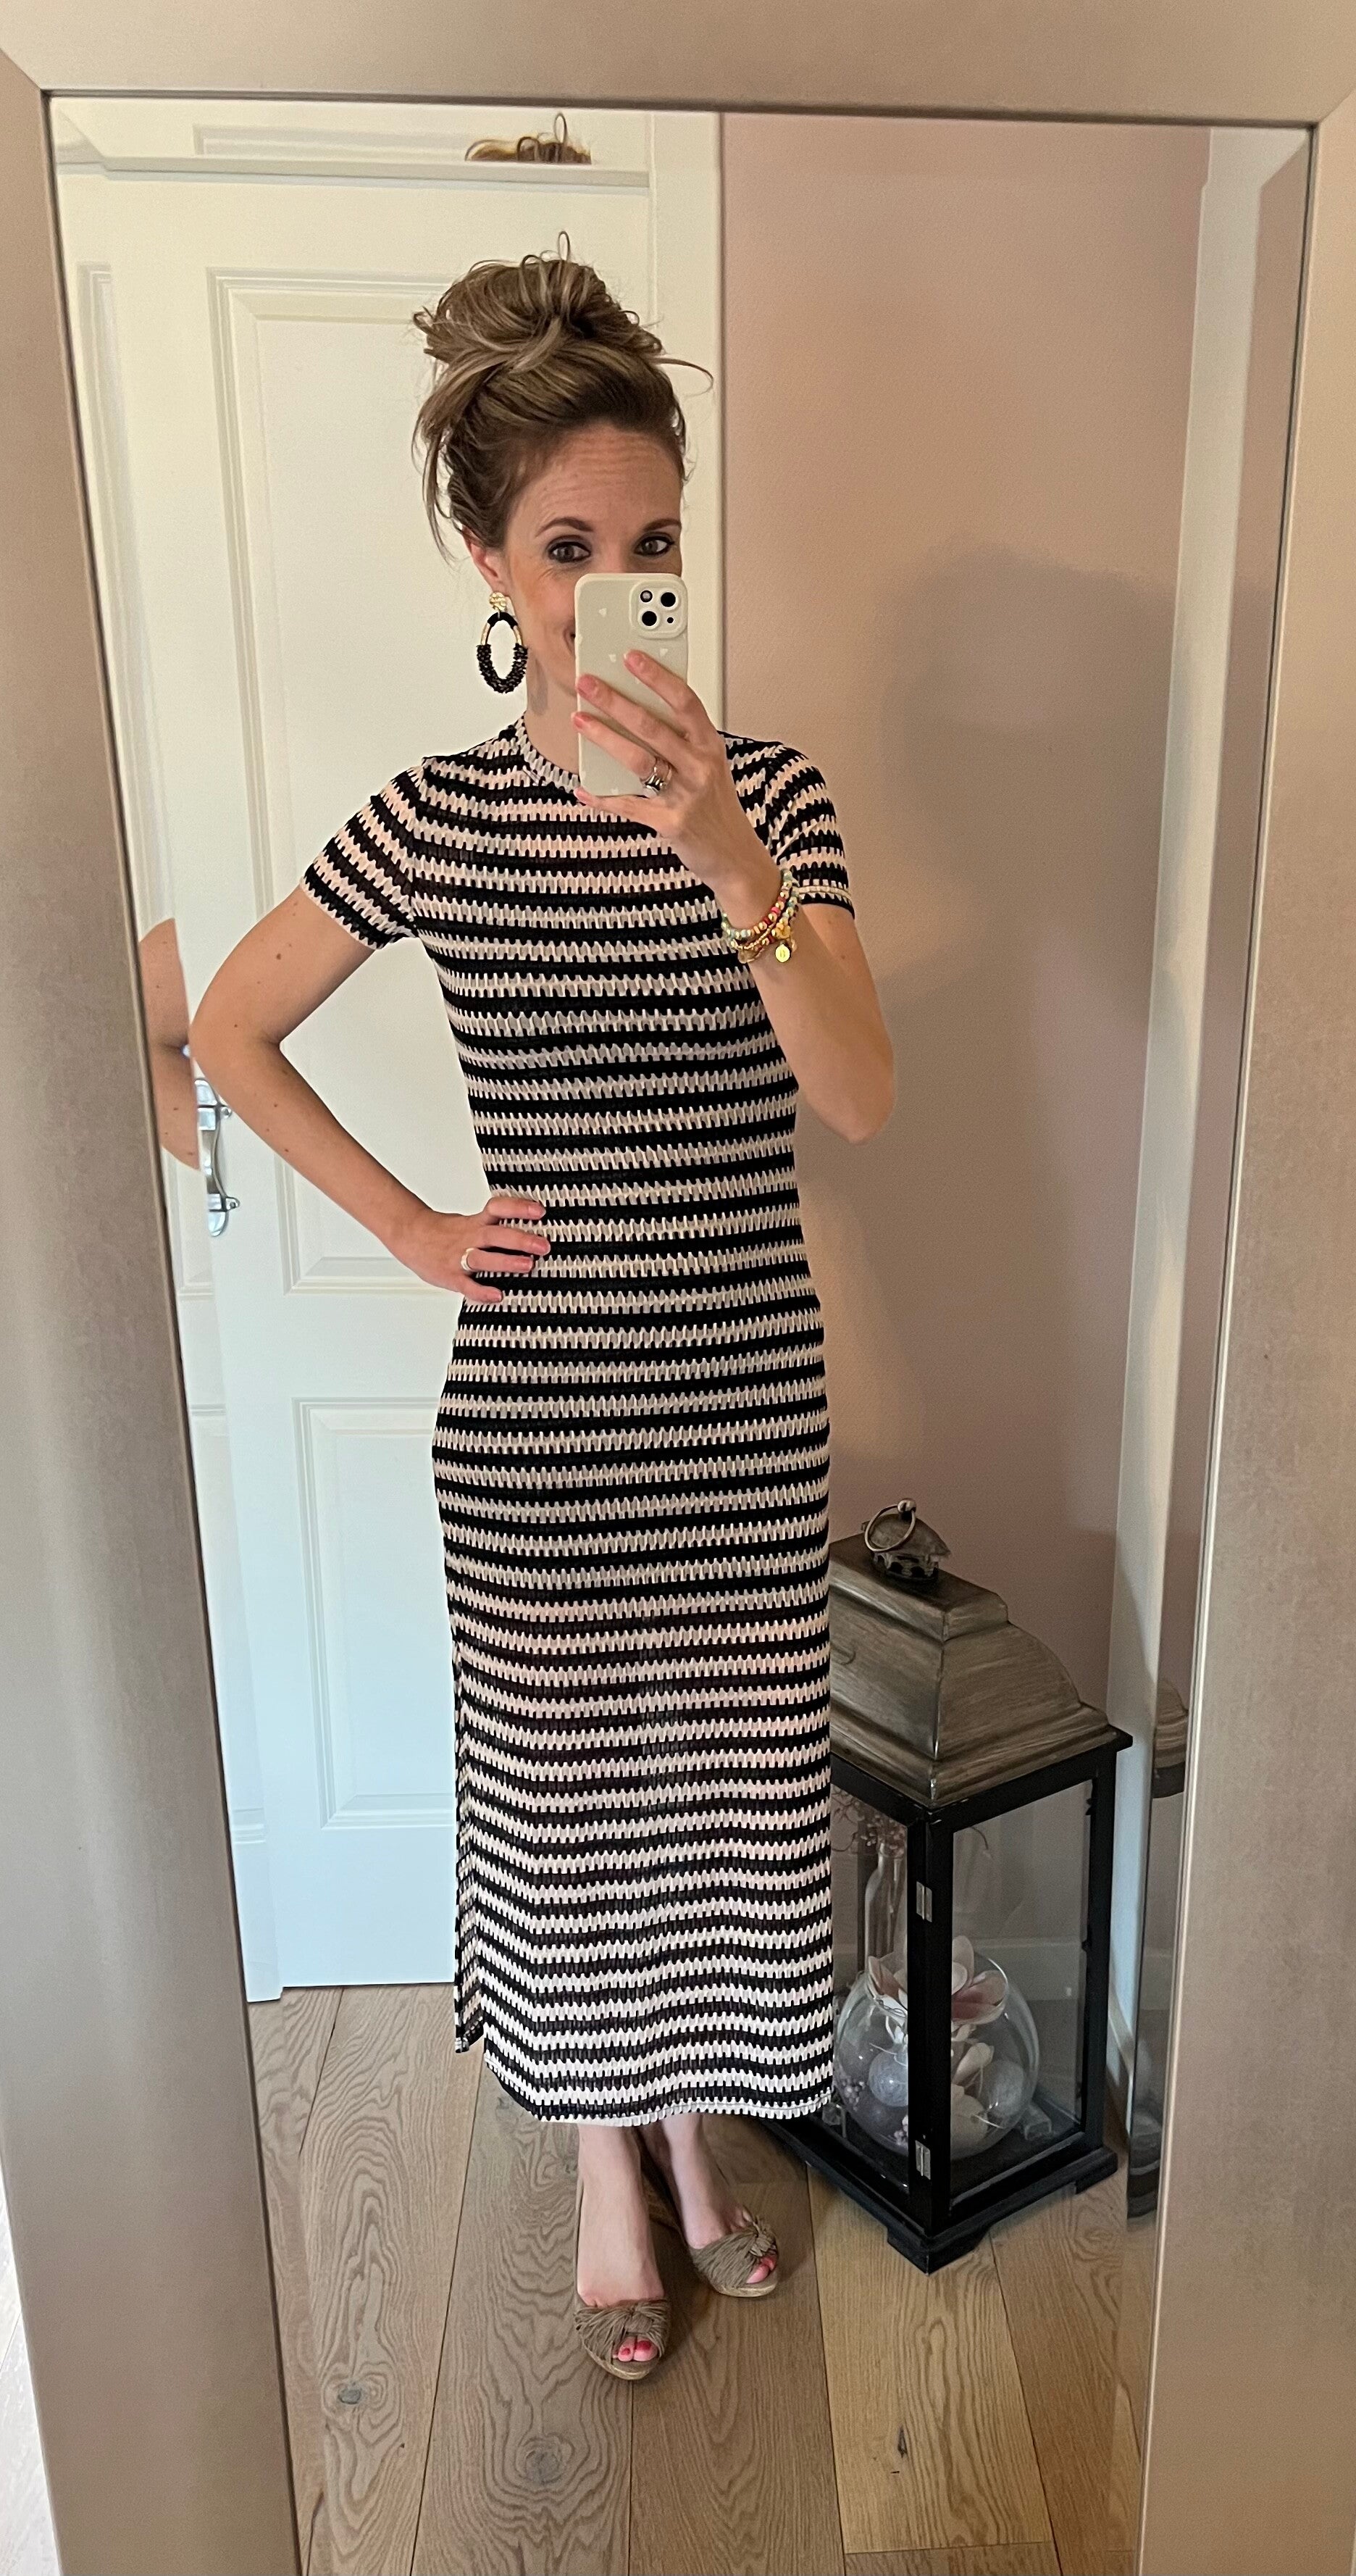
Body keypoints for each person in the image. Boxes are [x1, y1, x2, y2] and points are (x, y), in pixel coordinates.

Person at [191, 251, 894, 2380]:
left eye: (652, 540)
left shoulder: (774, 800)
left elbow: (861, 1093)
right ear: (493, 566)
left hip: (744, 1409)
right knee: (581, 1819)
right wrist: (410, 1225)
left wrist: (728, 859)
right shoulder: (439, 817)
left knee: (728, 1809)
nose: (613, 585)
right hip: (543, 1428)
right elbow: (227, 1027)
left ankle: (693, 2135)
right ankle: (609, 2160)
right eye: (569, 547)